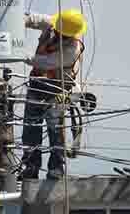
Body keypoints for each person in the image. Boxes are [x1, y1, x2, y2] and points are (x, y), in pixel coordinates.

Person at [20, 9, 87, 180]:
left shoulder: (72, 48)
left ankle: (56, 168)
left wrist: (19, 53)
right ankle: (30, 167)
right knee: (30, 129)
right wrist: (11, 21)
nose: (55, 31)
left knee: (55, 130)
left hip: (58, 90)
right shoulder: (55, 23)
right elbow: (33, 19)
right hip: (37, 84)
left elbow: (45, 62)